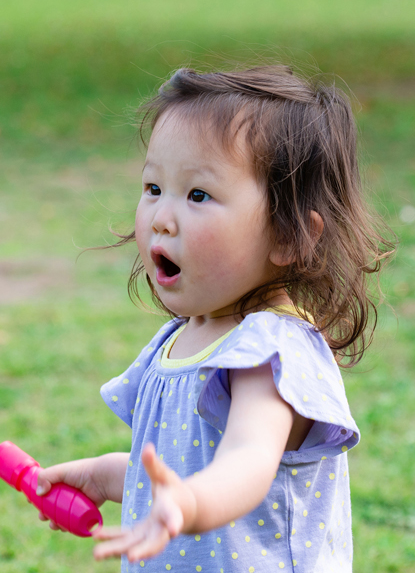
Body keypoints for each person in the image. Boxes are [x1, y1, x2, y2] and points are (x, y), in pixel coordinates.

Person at [35, 66, 394, 571]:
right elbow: (187, 464)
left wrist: (188, 504)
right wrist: (106, 475)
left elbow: (247, 460)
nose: (160, 215)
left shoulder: (271, 349)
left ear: (290, 237)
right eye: (153, 187)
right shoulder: (180, 339)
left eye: (197, 195)